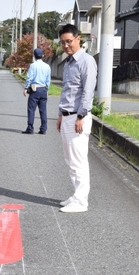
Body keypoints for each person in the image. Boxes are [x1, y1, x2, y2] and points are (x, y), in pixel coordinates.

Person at [56, 24, 97, 213]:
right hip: (66, 116)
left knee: (79, 160)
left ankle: (82, 201)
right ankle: (76, 195)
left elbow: (87, 92)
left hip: (78, 117)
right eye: (63, 42)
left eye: (69, 41)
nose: (66, 46)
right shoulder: (69, 63)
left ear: (78, 39)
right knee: (70, 159)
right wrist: (59, 115)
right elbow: (67, 91)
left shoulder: (86, 61)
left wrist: (81, 116)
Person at [22, 48, 51, 134]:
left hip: (35, 90)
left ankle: (30, 128)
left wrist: (26, 88)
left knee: (31, 109)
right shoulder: (47, 66)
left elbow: (29, 78)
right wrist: (47, 89)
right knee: (43, 110)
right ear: (43, 56)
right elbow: (48, 80)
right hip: (43, 89)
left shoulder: (33, 66)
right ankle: (43, 129)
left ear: (34, 56)